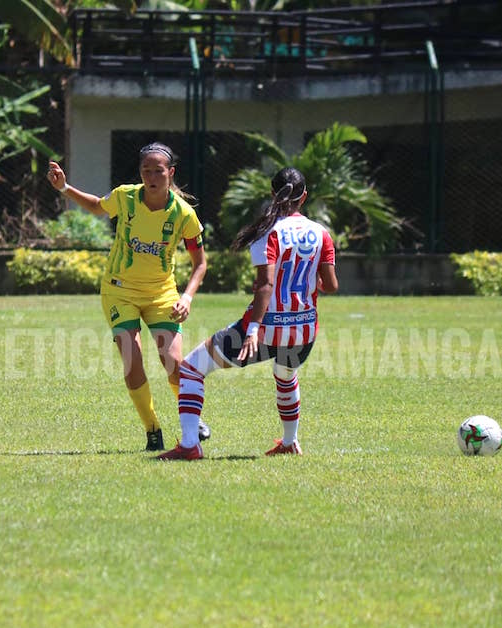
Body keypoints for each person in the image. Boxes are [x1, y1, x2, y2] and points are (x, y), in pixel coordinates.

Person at [157, 166, 338, 461]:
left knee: (191, 369)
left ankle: (190, 445)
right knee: (285, 375)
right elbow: (330, 285)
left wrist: (252, 329)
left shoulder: (267, 232)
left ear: (271, 193)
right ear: (304, 197)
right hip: (304, 331)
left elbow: (265, 284)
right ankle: (290, 441)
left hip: (264, 330)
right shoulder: (321, 234)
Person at [47, 143, 211, 451]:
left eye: (158, 171)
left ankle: (191, 418)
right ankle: (152, 430)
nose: (151, 177)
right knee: (132, 361)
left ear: (170, 173)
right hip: (119, 291)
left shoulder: (183, 215)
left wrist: (187, 297)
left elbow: (200, 263)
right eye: (146, 171)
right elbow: (97, 206)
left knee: (174, 363)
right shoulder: (125, 197)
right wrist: (65, 187)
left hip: (162, 294)